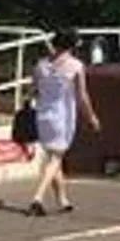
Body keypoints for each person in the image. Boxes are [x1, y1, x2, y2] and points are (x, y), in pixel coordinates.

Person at [25, 25, 100, 217]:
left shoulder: (41, 65)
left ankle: (62, 200)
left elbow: (32, 91)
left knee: (53, 157)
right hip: (62, 116)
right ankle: (37, 198)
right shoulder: (75, 66)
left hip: (43, 115)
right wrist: (91, 117)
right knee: (56, 158)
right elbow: (82, 96)